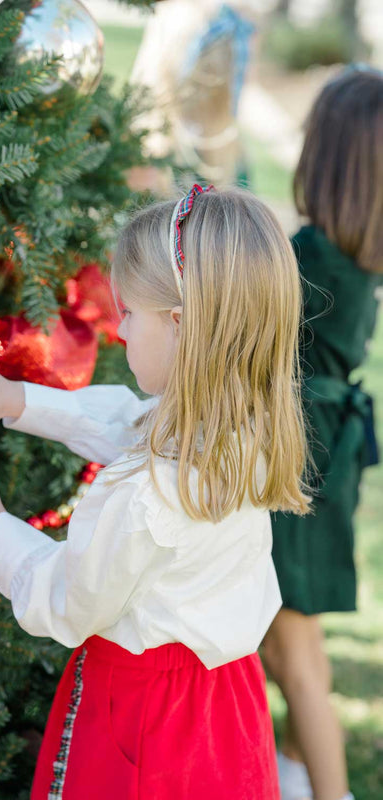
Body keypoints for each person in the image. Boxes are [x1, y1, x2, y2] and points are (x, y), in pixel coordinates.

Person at [0, 185, 309, 799]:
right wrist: (15, 399)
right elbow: (122, 421)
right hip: (223, 709)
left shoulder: (145, 493)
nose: (117, 329)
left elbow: (69, 601)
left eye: (129, 313)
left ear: (181, 325)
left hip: (143, 725)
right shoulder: (234, 431)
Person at [262, 67, 383, 800]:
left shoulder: (306, 258)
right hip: (320, 459)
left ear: (322, 158)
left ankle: (327, 792)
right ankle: (293, 774)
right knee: (291, 641)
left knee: (293, 649)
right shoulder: (357, 260)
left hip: (290, 464)